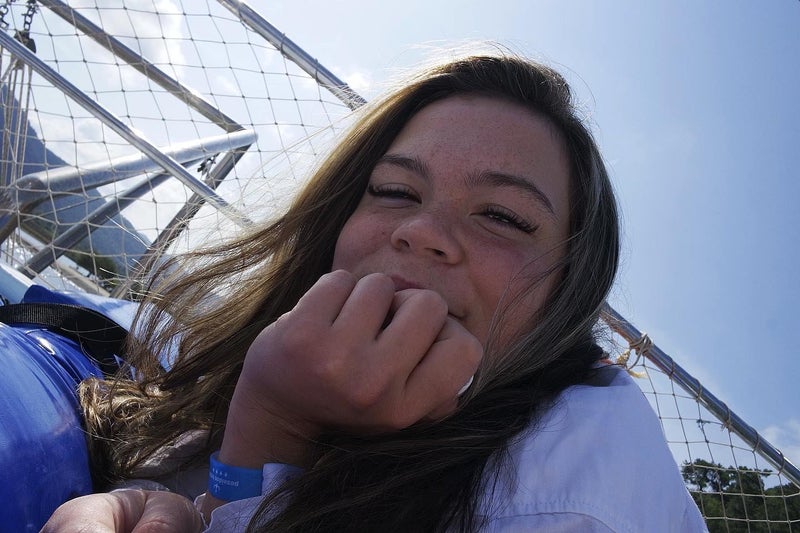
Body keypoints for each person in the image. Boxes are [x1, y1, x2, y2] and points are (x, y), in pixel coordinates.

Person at [43, 52, 707, 532]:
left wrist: (272, 420)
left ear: (567, 291)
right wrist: (163, 503)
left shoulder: (577, 479)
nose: (421, 231)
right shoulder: (203, 361)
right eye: (395, 190)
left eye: (502, 217)